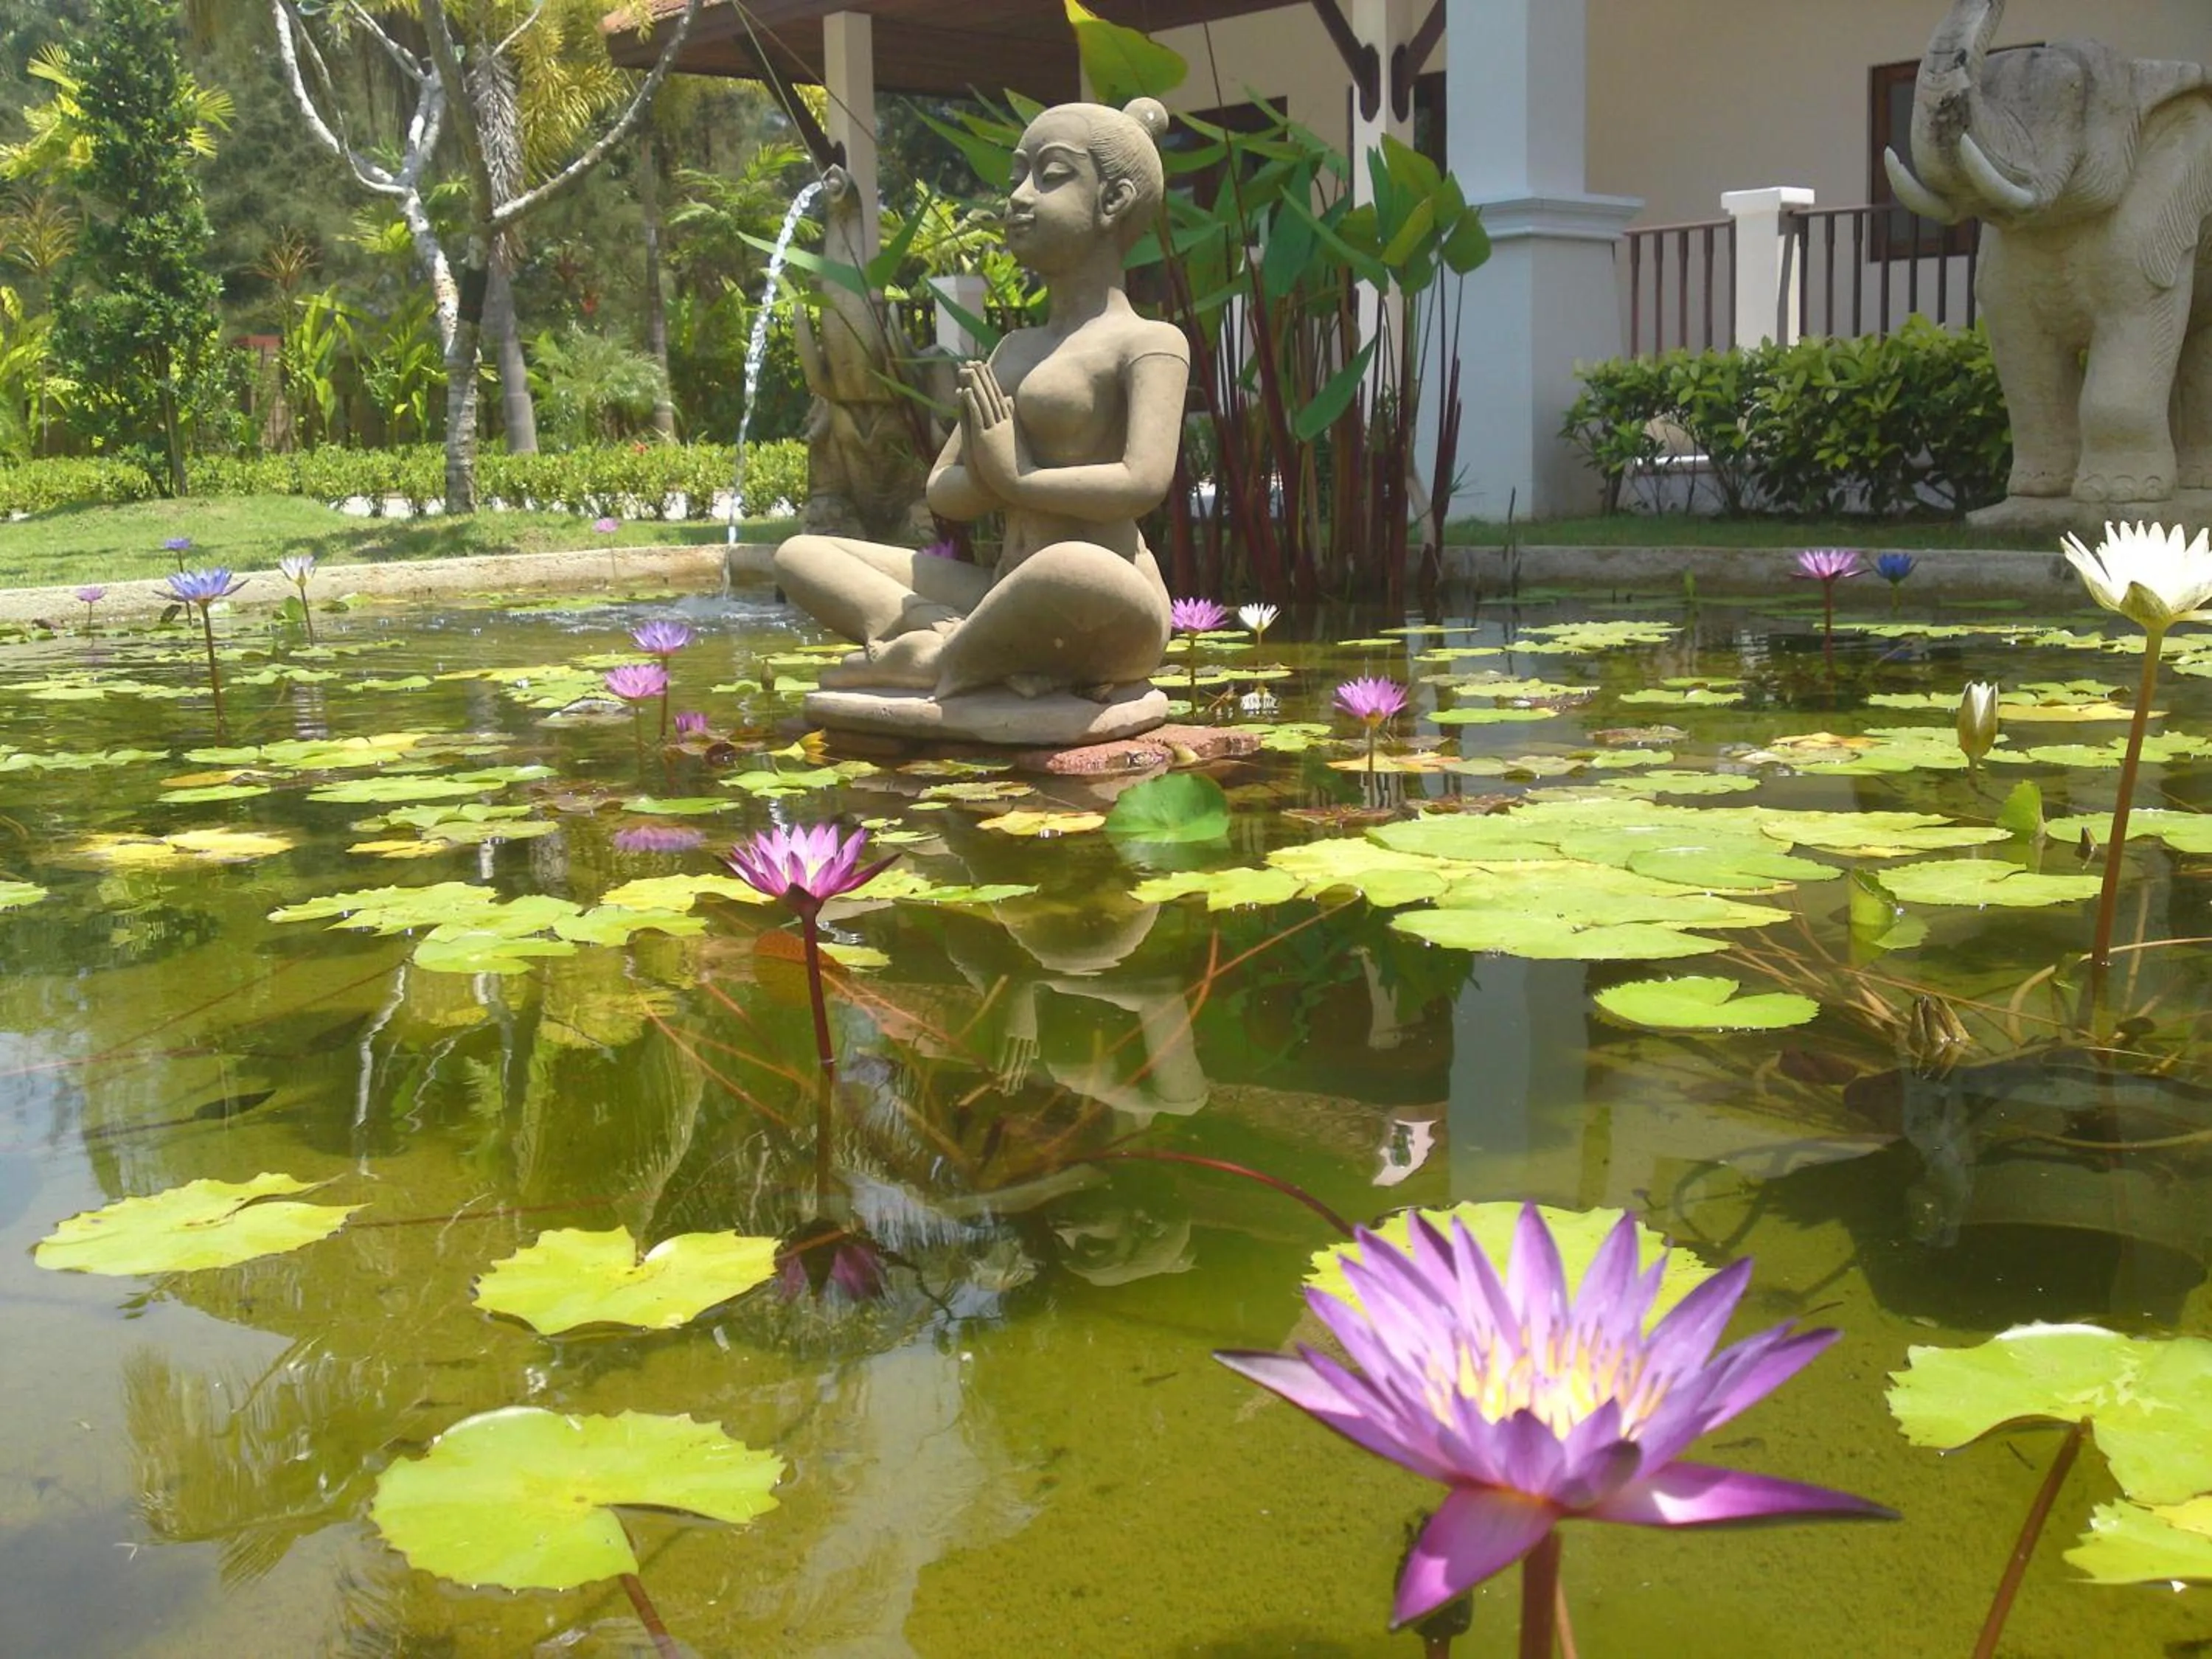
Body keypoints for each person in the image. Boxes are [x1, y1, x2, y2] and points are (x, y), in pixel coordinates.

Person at [773, 97, 1189, 702]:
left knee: (1072, 566)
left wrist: (1017, 479)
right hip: (1004, 587)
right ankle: (968, 644)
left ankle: (939, 658)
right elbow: (945, 491)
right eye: (1017, 176)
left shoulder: (1149, 343)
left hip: (1103, 602)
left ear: (1113, 202)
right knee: (803, 554)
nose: (1018, 196)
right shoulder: (1013, 348)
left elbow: (1143, 481)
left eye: (1049, 177)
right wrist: (993, 477)